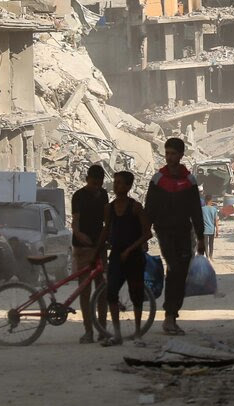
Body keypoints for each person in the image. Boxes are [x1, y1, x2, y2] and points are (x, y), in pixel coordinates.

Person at [145, 138, 205, 336]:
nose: (169, 157)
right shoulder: (157, 180)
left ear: (181, 155)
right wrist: (145, 232)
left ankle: (172, 313)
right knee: (174, 268)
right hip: (164, 231)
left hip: (183, 232)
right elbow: (150, 208)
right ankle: (169, 316)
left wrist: (201, 236)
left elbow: (196, 210)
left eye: (173, 153)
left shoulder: (189, 181)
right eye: (167, 153)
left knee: (180, 273)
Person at [97, 170, 152, 345]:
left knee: (136, 294)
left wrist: (130, 250)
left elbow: (147, 234)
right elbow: (106, 231)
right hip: (116, 255)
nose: (116, 186)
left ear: (128, 186)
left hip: (134, 256)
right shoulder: (109, 208)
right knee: (111, 293)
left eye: (120, 183)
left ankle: (137, 333)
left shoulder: (136, 207)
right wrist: (98, 250)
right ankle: (118, 334)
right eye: (115, 182)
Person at [71, 164, 110, 343]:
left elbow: (106, 220)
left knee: (102, 290)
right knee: (85, 290)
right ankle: (88, 331)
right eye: (94, 183)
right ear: (87, 179)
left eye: (99, 184)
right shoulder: (78, 196)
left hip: (99, 247)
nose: (97, 187)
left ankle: (102, 329)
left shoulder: (103, 195)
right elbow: (75, 223)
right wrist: (80, 236)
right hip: (83, 247)